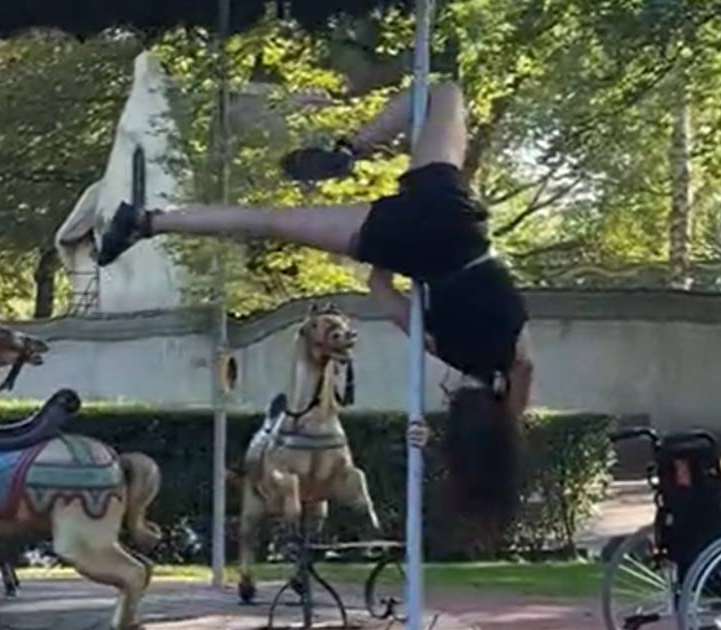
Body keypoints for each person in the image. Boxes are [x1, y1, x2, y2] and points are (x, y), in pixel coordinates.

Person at [96, 80, 533, 535]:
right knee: (268, 222)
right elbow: (379, 287)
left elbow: (525, 368)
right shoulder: (442, 345)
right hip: (404, 242)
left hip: (455, 219)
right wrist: (394, 250)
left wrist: (513, 417)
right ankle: (147, 222)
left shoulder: (510, 342)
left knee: (443, 92)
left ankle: (352, 148)